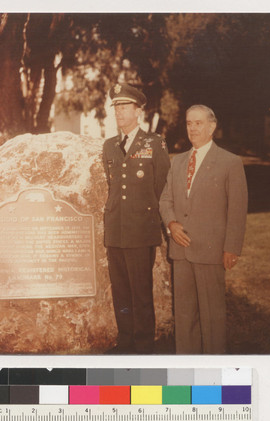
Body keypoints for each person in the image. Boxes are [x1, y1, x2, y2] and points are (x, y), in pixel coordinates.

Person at [159, 104, 248, 354]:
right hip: (181, 250)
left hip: (211, 250)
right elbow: (165, 200)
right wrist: (171, 223)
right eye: (189, 123)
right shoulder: (177, 163)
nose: (193, 128)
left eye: (198, 123)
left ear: (212, 126)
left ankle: (214, 370)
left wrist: (232, 248)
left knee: (212, 318)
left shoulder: (230, 163)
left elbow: (237, 209)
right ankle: (186, 366)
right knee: (185, 316)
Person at [102, 83, 171, 354]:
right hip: (115, 231)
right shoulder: (109, 146)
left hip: (141, 231)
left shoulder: (154, 143)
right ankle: (125, 340)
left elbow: (163, 189)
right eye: (116, 107)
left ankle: (143, 345)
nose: (119, 112)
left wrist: (165, 227)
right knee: (120, 292)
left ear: (138, 111)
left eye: (125, 107)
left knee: (140, 292)